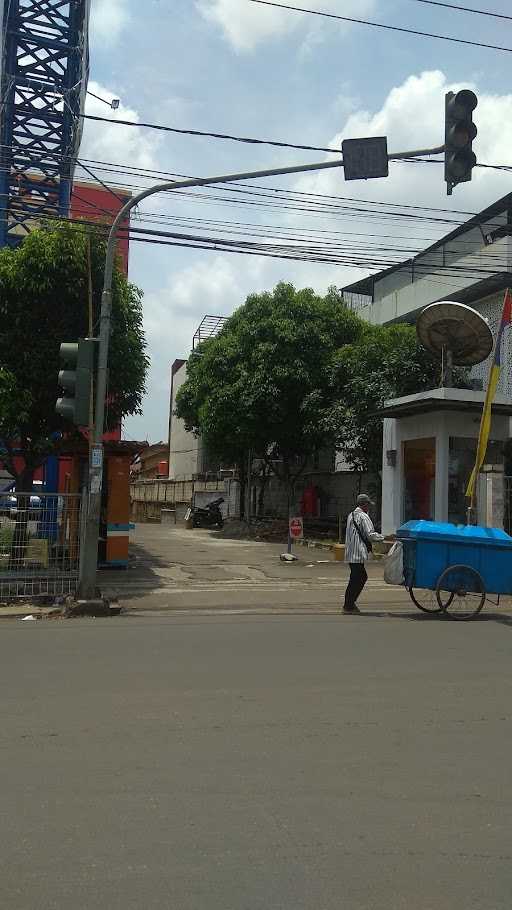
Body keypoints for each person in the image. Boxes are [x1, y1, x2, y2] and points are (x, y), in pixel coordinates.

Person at [343, 494, 384, 614]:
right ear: (364, 504)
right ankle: (348, 605)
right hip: (357, 553)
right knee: (358, 578)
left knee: (357, 577)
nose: (369, 508)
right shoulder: (363, 516)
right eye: (368, 505)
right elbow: (370, 534)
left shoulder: (351, 515)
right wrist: (384, 537)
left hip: (351, 552)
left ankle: (349, 604)